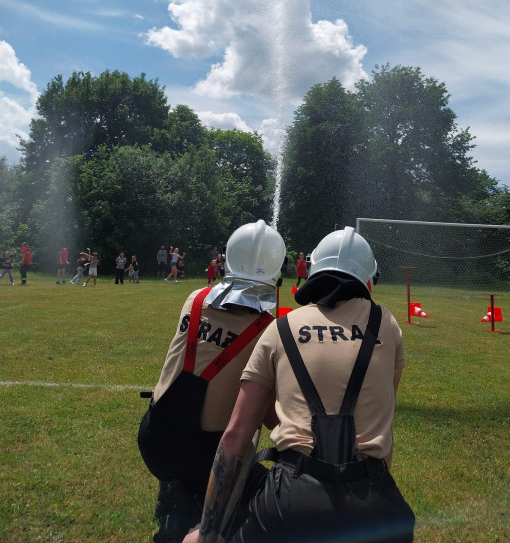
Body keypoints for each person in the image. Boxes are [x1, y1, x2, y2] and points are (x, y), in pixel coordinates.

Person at [185, 226, 415, 543]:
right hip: (374, 499)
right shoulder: (386, 324)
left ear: (313, 270)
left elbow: (236, 436)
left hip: (291, 500)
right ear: (367, 280)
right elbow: (382, 422)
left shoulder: (280, 329)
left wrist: (206, 533)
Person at [138, 220, 286, 543]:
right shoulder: (268, 330)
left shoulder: (195, 298)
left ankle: (176, 494)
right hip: (205, 454)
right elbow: (268, 416)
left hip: (155, 433)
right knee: (261, 484)